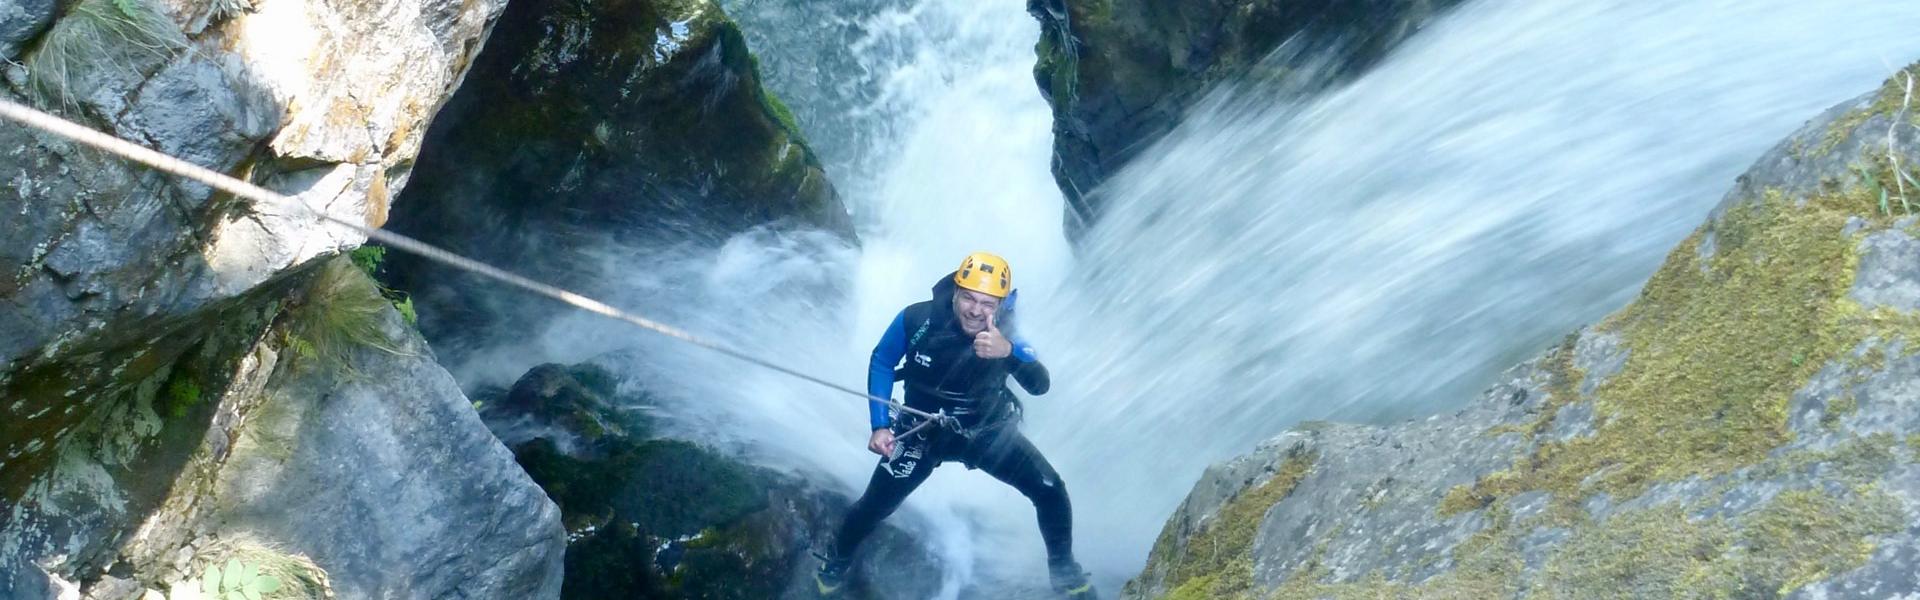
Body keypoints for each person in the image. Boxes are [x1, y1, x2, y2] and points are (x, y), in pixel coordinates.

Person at [815, 252, 1093, 598]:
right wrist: (880, 425)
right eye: (969, 299)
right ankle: (837, 560)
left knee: (1050, 490)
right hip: (920, 431)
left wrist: (1007, 352)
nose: (976, 311)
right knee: (875, 504)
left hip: (987, 432)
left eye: (988, 304)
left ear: (1002, 304)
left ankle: (1064, 572)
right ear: (956, 291)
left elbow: (1040, 385)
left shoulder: (1011, 335)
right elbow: (883, 360)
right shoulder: (917, 321)